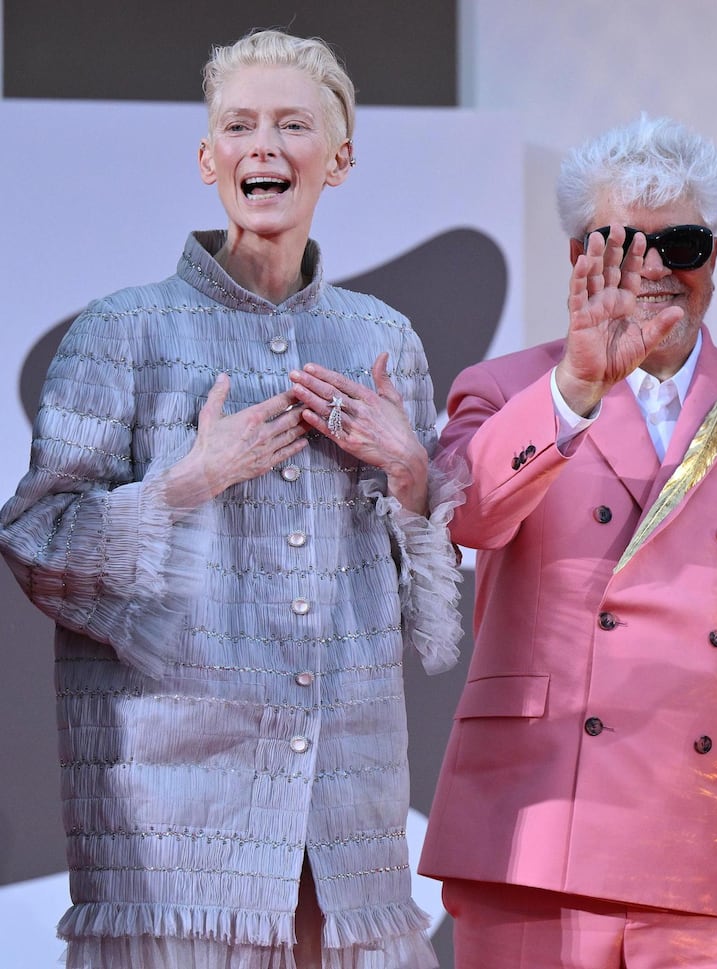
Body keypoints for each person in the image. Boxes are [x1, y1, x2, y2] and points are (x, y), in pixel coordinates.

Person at [0, 28, 463, 969]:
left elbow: (434, 628)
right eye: (239, 125)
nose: (265, 145)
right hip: (173, 821)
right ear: (208, 158)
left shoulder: (383, 338)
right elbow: (37, 543)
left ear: (338, 159)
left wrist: (410, 474)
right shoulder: (120, 332)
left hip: (348, 803)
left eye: (294, 125)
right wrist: (188, 480)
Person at [417, 114, 717, 969]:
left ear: (714, 258)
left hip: (712, 850)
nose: (657, 270)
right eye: (627, 245)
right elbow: (467, 513)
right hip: (535, 835)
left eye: (683, 244)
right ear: (580, 254)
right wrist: (580, 381)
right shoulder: (508, 388)